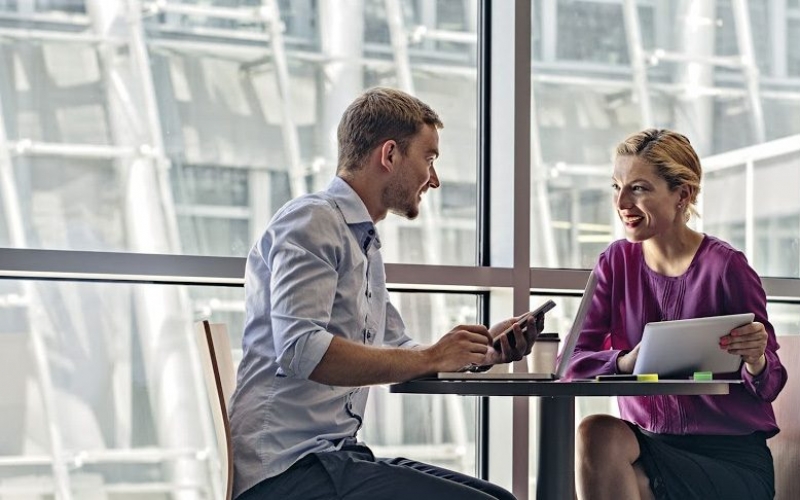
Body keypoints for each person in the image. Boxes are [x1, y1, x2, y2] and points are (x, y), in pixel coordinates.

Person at [228, 87, 538, 500]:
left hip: (333, 458)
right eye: (428, 159)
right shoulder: (313, 222)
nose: (434, 179)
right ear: (389, 155)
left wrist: (481, 353)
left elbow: (398, 348)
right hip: (287, 472)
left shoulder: (361, 242)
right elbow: (301, 349)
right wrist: (431, 356)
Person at [565, 128, 788, 500]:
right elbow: (569, 363)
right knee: (596, 432)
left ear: (682, 194)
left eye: (639, 188)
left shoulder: (726, 267)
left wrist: (756, 360)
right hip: (650, 448)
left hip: (730, 461)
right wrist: (624, 362)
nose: (621, 201)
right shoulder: (615, 263)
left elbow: (770, 385)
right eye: (616, 186)